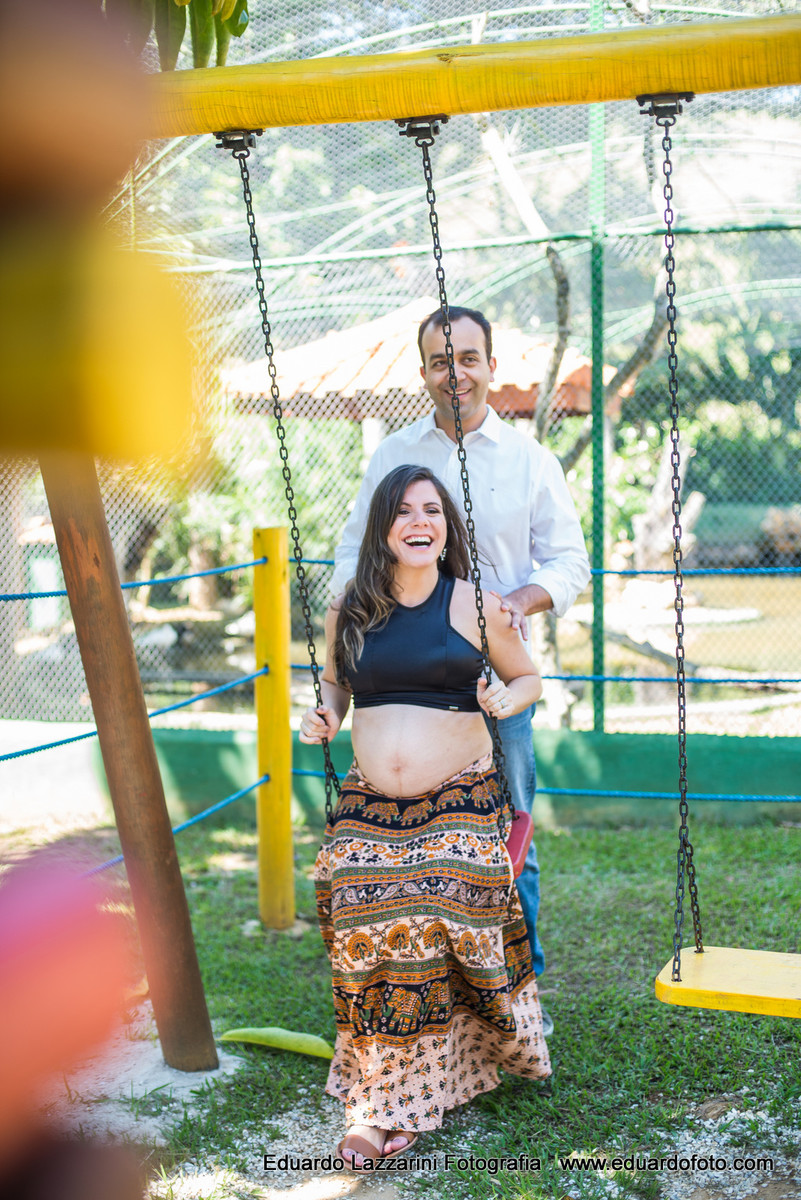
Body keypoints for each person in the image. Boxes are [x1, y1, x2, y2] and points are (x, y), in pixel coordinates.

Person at [330, 305, 591, 982]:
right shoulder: (393, 456)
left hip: (493, 676)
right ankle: (428, 986)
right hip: (405, 674)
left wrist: (517, 602)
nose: (456, 373)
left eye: (468, 359)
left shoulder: (530, 460)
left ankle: (520, 981)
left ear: (490, 367)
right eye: (441, 361)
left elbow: (570, 563)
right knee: (405, 843)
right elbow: (350, 553)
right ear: (424, 372)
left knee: (509, 836)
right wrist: (352, 617)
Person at [302, 464, 551, 1169]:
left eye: (432, 511)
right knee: (358, 903)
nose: (420, 522)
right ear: (382, 526)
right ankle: (396, 1081)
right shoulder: (349, 607)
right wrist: (324, 714)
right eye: (405, 511)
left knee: (424, 903)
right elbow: (335, 683)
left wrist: (508, 699)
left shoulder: (476, 605)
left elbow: (527, 677)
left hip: (460, 795)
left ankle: (380, 1108)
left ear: (447, 527)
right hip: (371, 801)